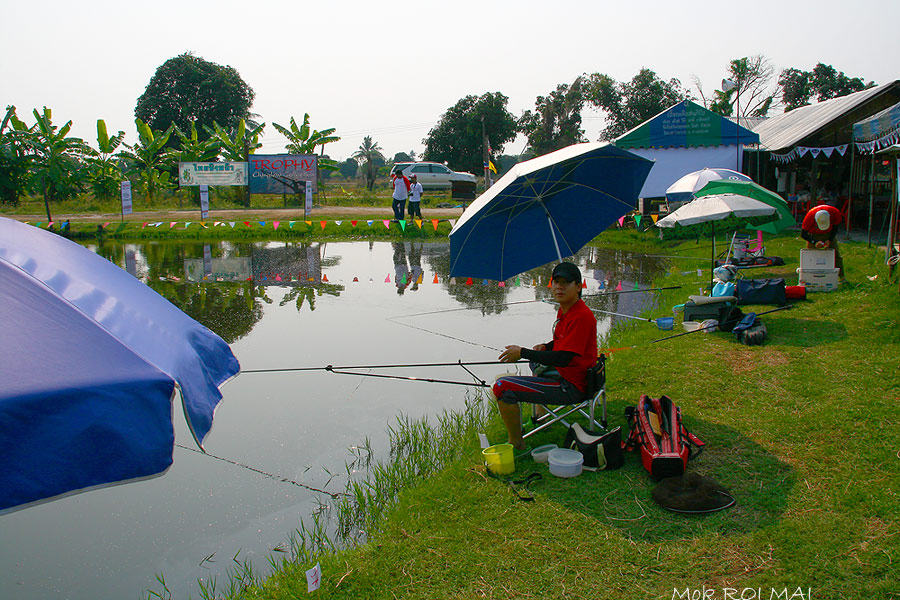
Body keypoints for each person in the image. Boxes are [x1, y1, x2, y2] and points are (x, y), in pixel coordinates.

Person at [492, 262, 598, 451]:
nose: (560, 287)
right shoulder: (567, 309)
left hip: (571, 386)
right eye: (556, 282)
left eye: (566, 282)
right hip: (572, 374)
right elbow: (565, 344)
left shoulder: (580, 316)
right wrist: (547, 346)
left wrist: (522, 353)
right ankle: (540, 413)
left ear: (579, 286)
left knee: (502, 387)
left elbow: (564, 358)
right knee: (537, 358)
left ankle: (516, 443)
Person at [801, 204, 844, 278]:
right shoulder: (810, 216)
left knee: (836, 255)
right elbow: (803, 234)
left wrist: (829, 239)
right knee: (811, 256)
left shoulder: (835, 213)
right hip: (814, 234)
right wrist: (814, 242)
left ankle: (841, 277)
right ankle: (810, 277)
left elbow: (835, 228)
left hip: (829, 233)